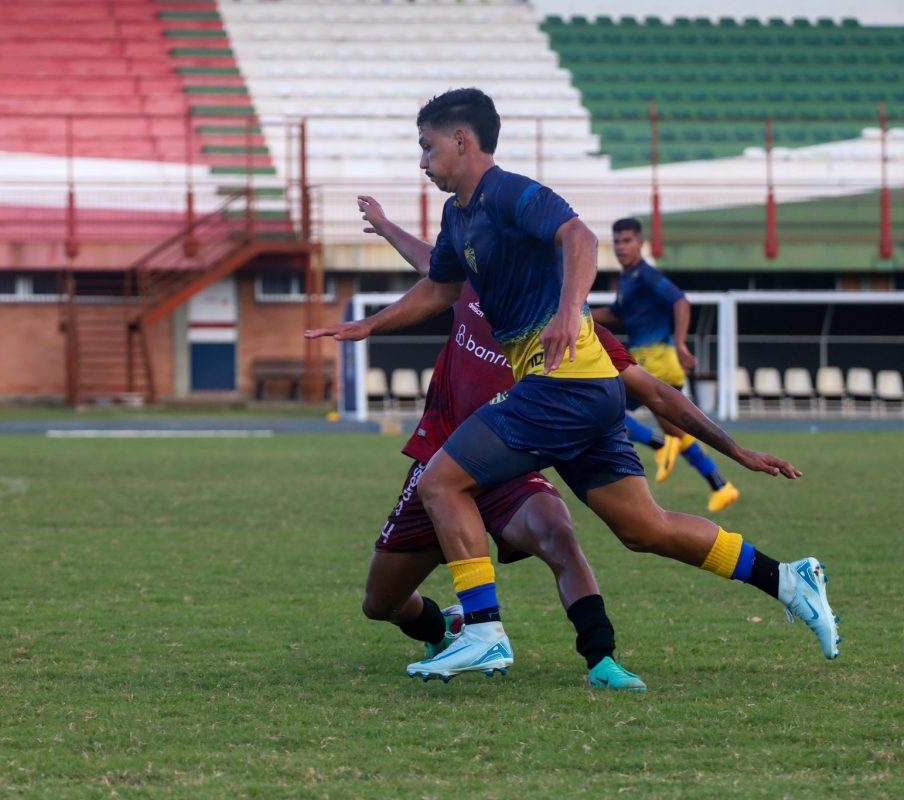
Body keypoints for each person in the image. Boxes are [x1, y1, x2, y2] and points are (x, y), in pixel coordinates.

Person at [307, 88, 840, 682]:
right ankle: (788, 579)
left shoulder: (508, 192)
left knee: (440, 483)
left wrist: (568, 308)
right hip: (588, 397)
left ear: (462, 140)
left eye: (427, 147)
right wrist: (371, 324)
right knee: (645, 528)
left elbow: (580, 238)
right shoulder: (459, 218)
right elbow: (437, 288)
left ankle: (481, 631)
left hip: (564, 388)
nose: (422, 162)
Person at [358, 196, 803, 691]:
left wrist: (736, 450)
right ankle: (448, 628)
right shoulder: (471, 284)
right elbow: (429, 260)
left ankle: (601, 658)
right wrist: (384, 224)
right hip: (441, 460)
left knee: (559, 533)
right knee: (381, 603)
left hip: (508, 465)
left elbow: (656, 392)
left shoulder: (579, 333)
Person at [592, 218, 739, 512]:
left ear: (640, 243)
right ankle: (721, 486)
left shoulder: (646, 275)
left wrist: (682, 342)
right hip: (657, 363)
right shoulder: (629, 280)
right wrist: (579, 313)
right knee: (677, 430)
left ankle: (659, 445)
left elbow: (680, 301)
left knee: (603, 409)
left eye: (627, 241)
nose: (621, 247)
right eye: (617, 241)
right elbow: (618, 313)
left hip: (653, 360)